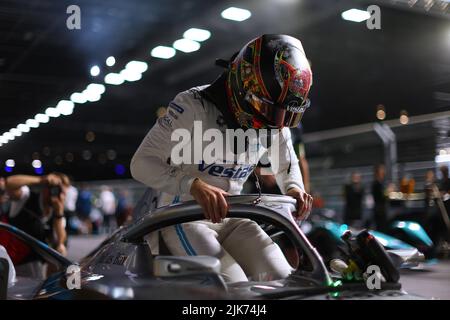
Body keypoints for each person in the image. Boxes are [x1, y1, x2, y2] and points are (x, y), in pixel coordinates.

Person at [131, 34, 313, 283]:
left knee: (281, 280)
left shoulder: (274, 119)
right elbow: (141, 162)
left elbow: (286, 162)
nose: (278, 123)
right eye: (270, 110)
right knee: (233, 287)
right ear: (244, 83)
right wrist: (192, 185)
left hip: (235, 215)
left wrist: (294, 189)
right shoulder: (191, 106)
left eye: (286, 116)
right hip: (184, 217)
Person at [4, 173, 70, 257]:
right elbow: (9, 183)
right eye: (57, 191)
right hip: (16, 261)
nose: (60, 196)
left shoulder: (57, 213)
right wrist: (42, 179)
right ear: (46, 188)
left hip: (38, 265)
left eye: (63, 193)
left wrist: (58, 213)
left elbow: (60, 242)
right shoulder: (26, 197)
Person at [371, 164, 388, 231]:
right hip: (379, 210)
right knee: (381, 228)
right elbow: (381, 196)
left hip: (381, 209)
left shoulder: (380, 183)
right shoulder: (376, 183)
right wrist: (388, 191)